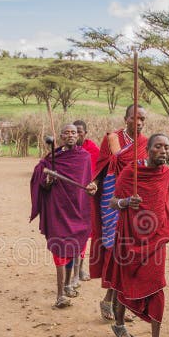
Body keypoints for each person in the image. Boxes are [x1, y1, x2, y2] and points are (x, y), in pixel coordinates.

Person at [104, 133, 169, 337]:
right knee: (124, 282)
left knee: (157, 285)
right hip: (130, 237)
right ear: (148, 149)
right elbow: (113, 202)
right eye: (158, 147)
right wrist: (127, 202)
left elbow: (163, 204)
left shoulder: (167, 173)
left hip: (156, 238)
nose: (163, 151)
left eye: (166, 147)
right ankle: (119, 324)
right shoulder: (131, 172)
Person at [90, 105, 148, 321]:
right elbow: (102, 167)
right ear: (126, 119)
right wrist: (95, 183)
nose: (139, 122)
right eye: (134, 118)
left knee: (129, 251)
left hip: (136, 201)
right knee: (116, 249)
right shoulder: (112, 139)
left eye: (142, 119)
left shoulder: (146, 143)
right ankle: (112, 301)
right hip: (112, 199)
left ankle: (114, 302)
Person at [30, 123, 97, 308]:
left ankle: (68, 284)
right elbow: (42, 182)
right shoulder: (52, 159)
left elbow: (88, 183)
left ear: (78, 135)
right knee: (60, 249)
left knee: (74, 247)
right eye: (66, 133)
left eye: (73, 132)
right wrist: (48, 180)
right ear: (60, 137)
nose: (70, 135)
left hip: (78, 209)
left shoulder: (84, 157)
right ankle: (60, 294)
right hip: (58, 209)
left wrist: (93, 188)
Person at [70, 119, 99, 285]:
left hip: (87, 199)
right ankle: (72, 271)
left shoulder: (92, 150)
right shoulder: (66, 151)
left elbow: (100, 171)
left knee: (82, 236)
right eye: (74, 132)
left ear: (85, 134)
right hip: (69, 200)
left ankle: (78, 270)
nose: (76, 135)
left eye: (79, 132)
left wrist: (94, 184)